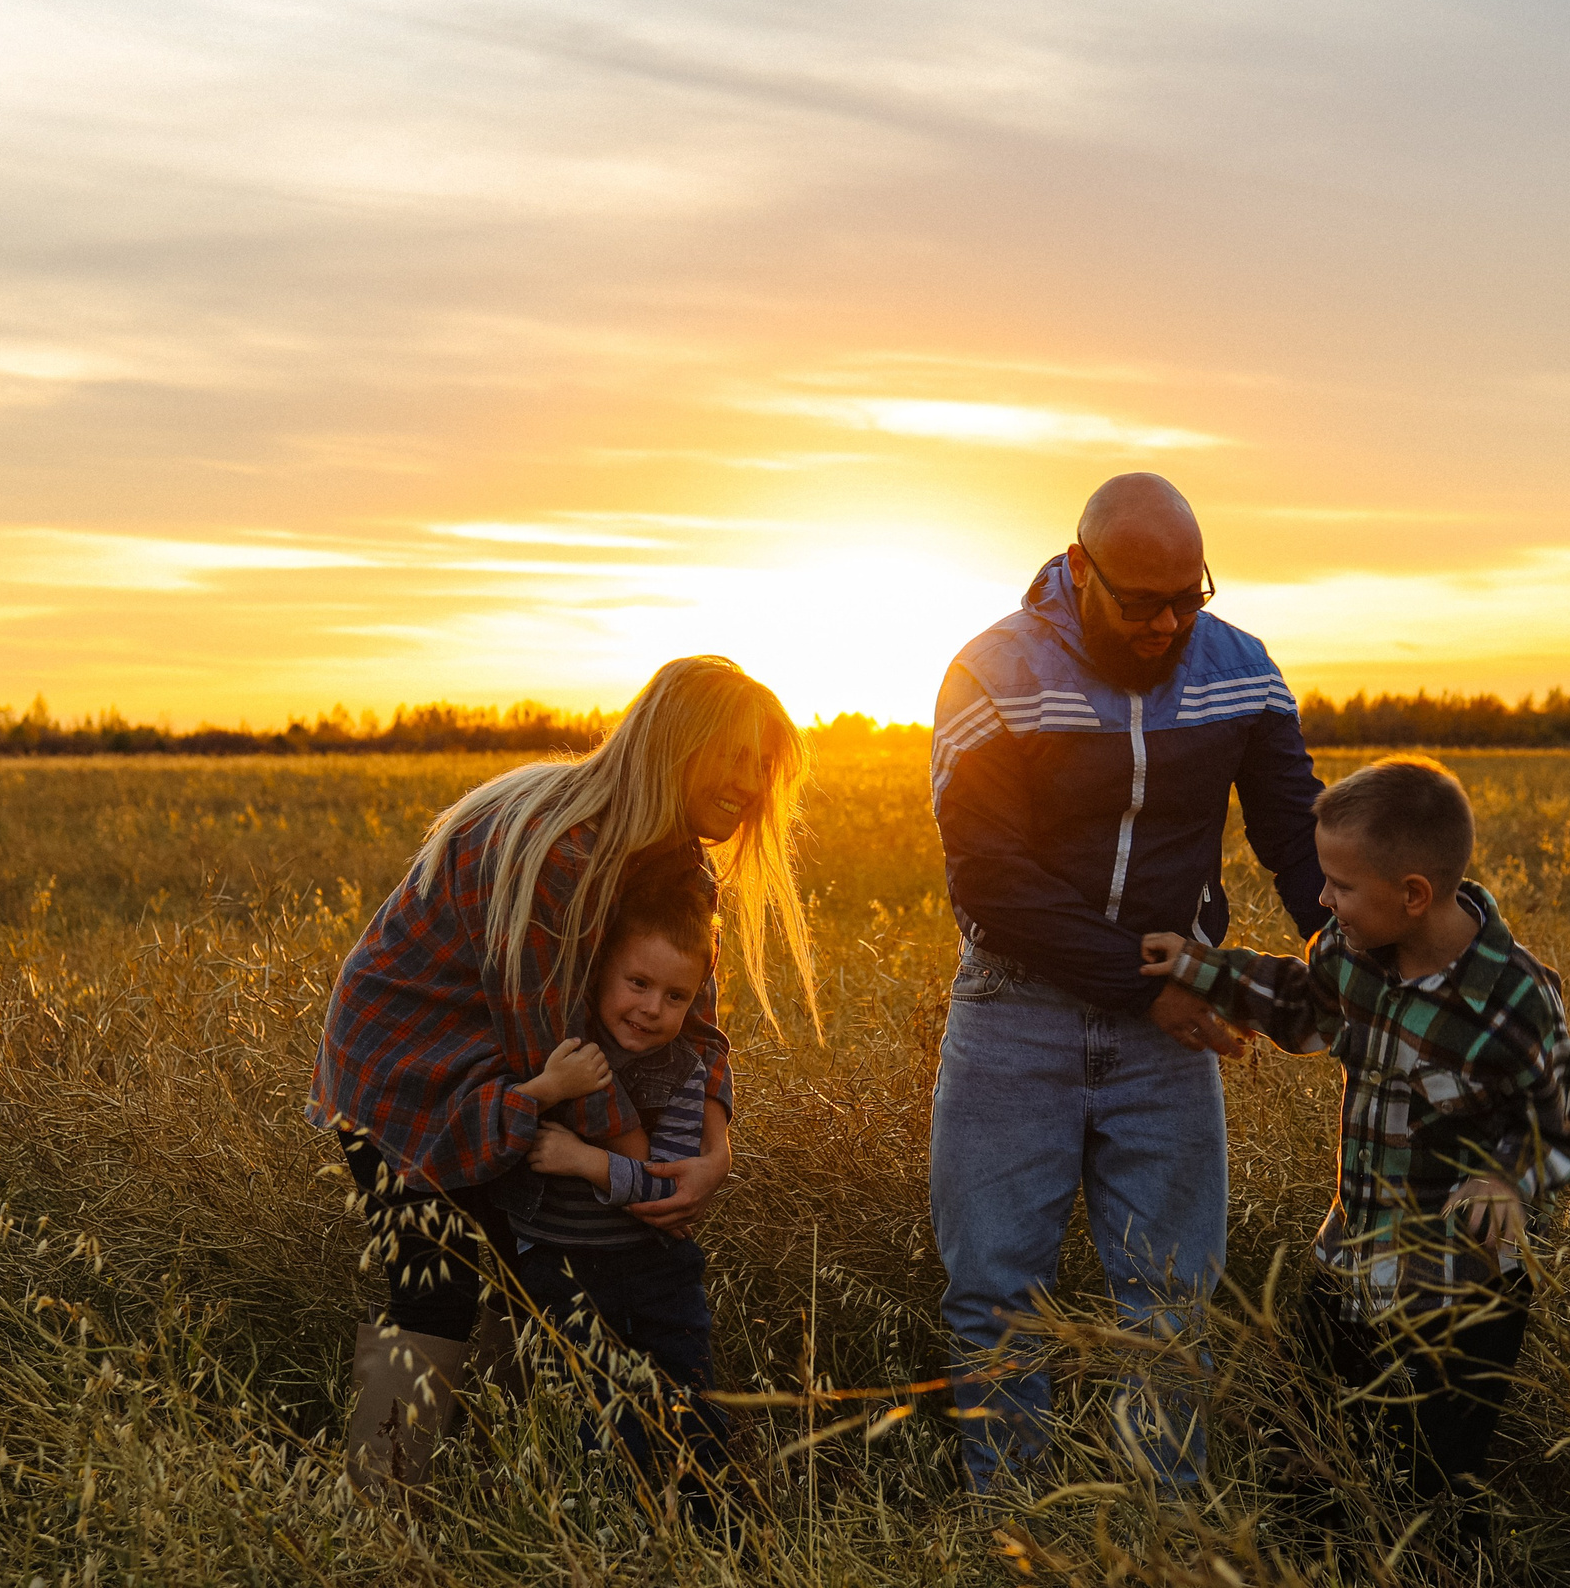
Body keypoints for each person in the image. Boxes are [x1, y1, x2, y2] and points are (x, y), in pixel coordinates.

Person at [307, 655, 810, 1493]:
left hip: (521, 1075)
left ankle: (517, 1483)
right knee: (436, 1284)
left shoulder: (681, 864)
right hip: (403, 1074)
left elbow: (697, 1024)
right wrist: (646, 1177)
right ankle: (380, 1505)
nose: (749, 784)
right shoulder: (559, 845)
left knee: (535, 1271)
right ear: (672, 745)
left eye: (762, 766)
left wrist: (713, 1148)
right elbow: (549, 1039)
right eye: (732, 756)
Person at [927, 471, 1330, 1490]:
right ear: (1079, 569)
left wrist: (1381, 964)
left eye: (1186, 600)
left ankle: (1164, 1529)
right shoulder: (990, 674)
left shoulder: (1242, 672)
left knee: (1171, 1301)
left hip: (1168, 1029)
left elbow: (1298, 839)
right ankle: (1012, 1528)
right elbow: (991, 877)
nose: (1165, 626)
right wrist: (1145, 986)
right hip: (1017, 1013)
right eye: (1141, 603)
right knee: (995, 1294)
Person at [1141, 754, 1570, 1557]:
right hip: (1345, 1268)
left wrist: (1506, 1178)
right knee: (1306, 1463)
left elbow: (1555, 1121)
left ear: (1413, 894)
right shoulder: (1347, 956)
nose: (1322, 900)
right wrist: (1197, 966)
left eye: (1340, 886)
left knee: (1429, 1493)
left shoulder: (1515, 997)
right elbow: (1299, 1007)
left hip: (1457, 1300)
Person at [498, 845, 735, 1521]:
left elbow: (665, 1190)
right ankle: (615, 1531)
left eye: (676, 996)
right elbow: (497, 1122)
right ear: (600, 968)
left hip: (656, 1268)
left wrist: (585, 1160)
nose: (652, 1009)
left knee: (688, 1402)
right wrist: (550, 1089)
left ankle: (706, 1526)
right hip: (559, 1265)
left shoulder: (682, 1073)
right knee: (595, 1409)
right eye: (637, 983)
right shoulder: (548, 1044)